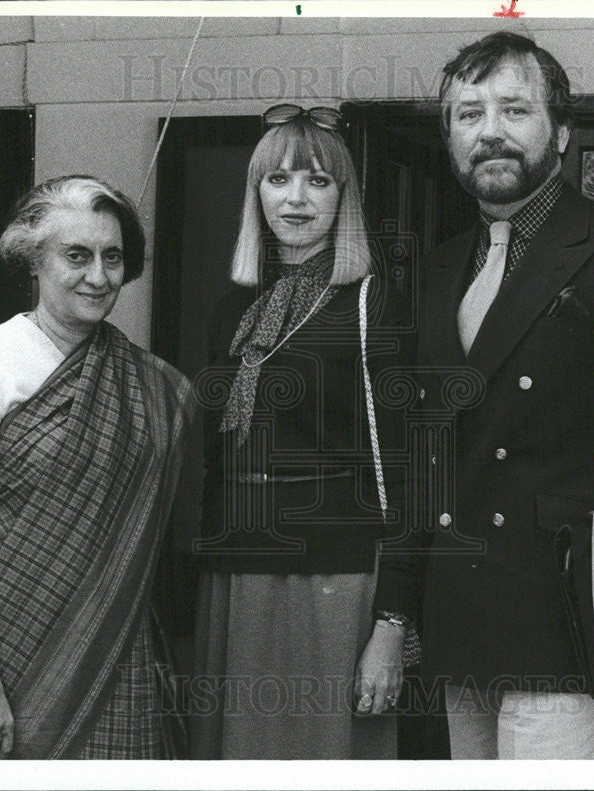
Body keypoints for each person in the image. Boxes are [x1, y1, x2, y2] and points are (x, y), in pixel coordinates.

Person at [370, 32, 594, 759]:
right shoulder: (436, 272)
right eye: (467, 115)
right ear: (449, 140)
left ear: (559, 132)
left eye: (513, 109)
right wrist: (393, 613)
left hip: (562, 626)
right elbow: (424, 456)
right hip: (461, 623)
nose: (488, 131)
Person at [0, 175, 194, 759]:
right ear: (32, 259)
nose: (99, 277)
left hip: (116, 653)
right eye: (77, 255)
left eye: (113, 257)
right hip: (6, 653)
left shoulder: (151, 386)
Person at [190, 105, 416, 759]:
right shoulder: (233, 307)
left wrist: (392, 621)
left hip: (332, 576)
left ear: (342, 198)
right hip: (234, 573)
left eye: (318, 181)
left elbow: (407, 468)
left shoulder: (374, 304)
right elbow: (214, 454)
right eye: (278, 179)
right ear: (255, 192)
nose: (296, 198)